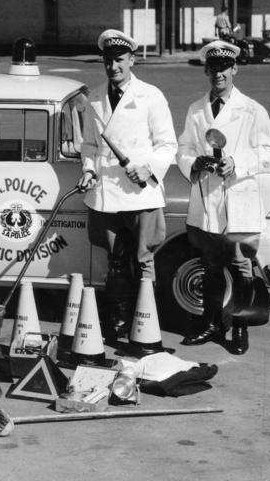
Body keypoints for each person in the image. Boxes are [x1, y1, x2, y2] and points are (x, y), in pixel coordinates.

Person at [176, 40, 270, 354]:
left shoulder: (251, 110)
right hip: (208, 199)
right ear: (207, 69)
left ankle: (240, 329)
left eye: (224, 68)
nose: (218, 74)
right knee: (209, 265)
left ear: (234, 69)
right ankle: (211, 325)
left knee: (240, 267)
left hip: (239, 198)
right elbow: (184, 149)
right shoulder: (196, 110)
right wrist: (195, 163)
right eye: (213, 68)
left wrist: (239, 163)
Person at [77, 29, 177, 341]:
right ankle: (119, 321)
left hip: (141, 194)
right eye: (108, 61)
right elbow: (90, 146)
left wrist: (147, 170)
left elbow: (167, 144)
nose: (113, 67)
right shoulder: (93, 97)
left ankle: (146, 326)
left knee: (144, 260)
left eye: (119, 60)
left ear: (131, 59)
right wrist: (89, 169)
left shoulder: (151, 96)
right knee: (115, 260)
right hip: (107, 194)